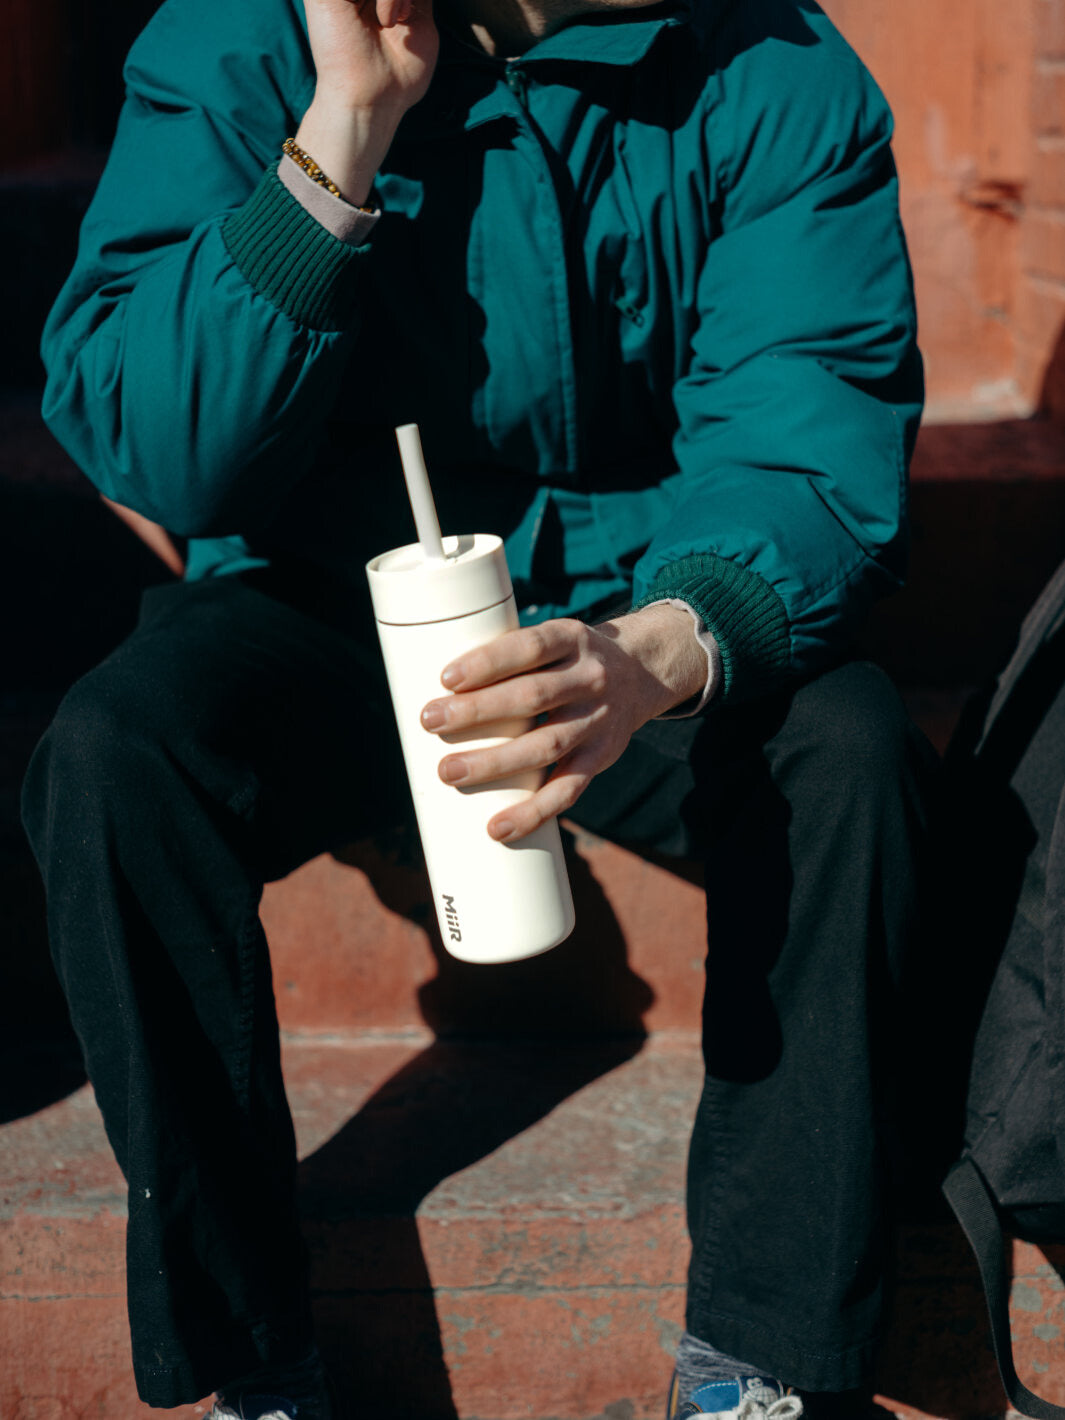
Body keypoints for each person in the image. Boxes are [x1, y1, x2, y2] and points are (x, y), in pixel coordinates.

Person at [22, 0, 936, 1415]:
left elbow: (806, 419)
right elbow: (157, 446)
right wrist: (342, 134)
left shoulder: (775, 63)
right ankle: (251, 1360)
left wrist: (659, 648)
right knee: (115, 755)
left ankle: (762, 1359)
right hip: (322, 599)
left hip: (633, 602)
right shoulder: (243, 33)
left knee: (853, 753)